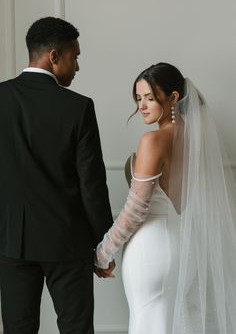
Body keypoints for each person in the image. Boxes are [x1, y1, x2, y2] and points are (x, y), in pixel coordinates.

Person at [95, 63, 236, 333]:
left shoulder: (154, 140)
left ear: (173, 97)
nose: (143, 106)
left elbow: (135, 209)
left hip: (151, 248)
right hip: (183, 245)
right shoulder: (196, 141)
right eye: (138, 99)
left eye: (150, 97)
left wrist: (103, 252)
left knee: (146, 323)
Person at [0, 16, 115, 334]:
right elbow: (91, 185)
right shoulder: (78, 108)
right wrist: (103, 245)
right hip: (68, 241)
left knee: (17, 329)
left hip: (11, 242)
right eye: (74, 56)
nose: (77, 66)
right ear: (54, 56)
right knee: (76, 328)